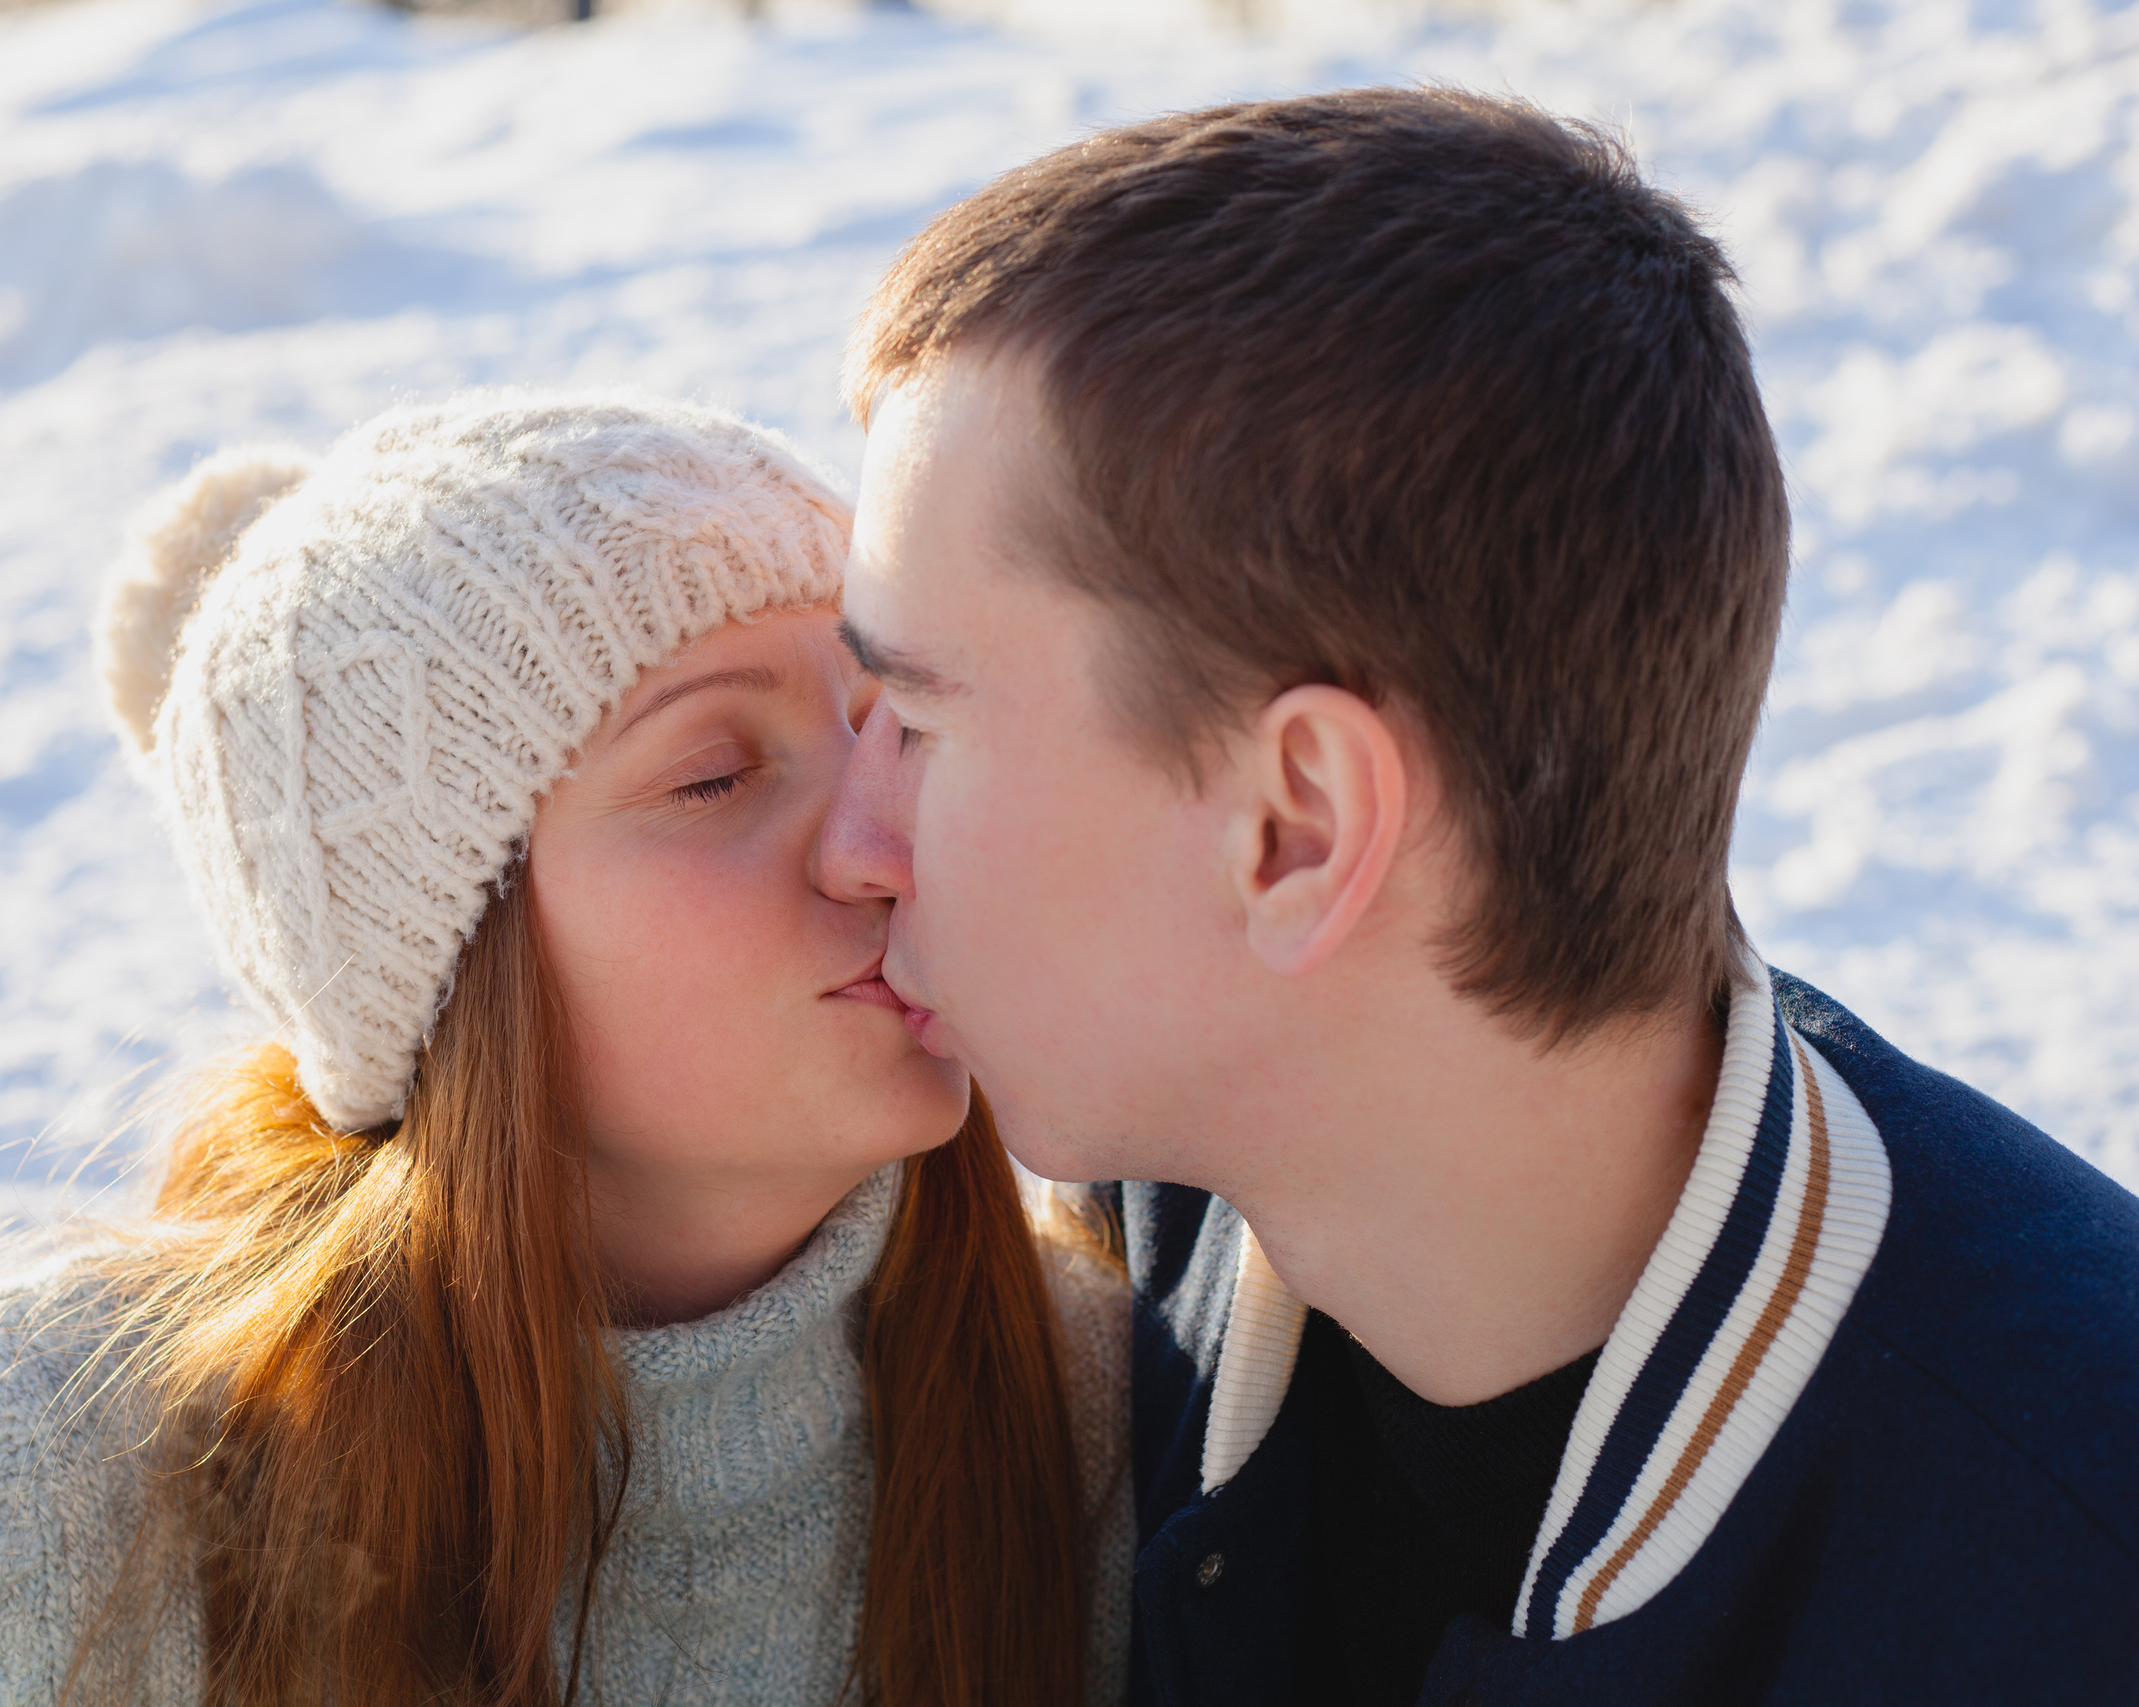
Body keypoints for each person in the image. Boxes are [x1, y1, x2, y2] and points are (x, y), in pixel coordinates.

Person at [818, 89, 2139, 1705]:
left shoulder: (2069, 1575)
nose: (846, 835)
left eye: (921, 723)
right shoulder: (1129, 1271)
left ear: (1298, 829)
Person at [0, 393, 1130, 1707]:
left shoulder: (1101, 1416)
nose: (889, 845)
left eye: (900, 733)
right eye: (714, 773)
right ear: (444, 959)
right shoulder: (64, 1469)